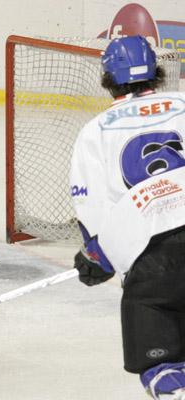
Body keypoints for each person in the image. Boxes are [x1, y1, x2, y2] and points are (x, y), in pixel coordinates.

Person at [70, 35, 185, 400]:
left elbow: (91, 207)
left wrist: (97, 255)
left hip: (153, 260)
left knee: (164, 370)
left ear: (108, 77)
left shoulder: (96, 130)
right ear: (156, 69)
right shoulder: (183, 103)